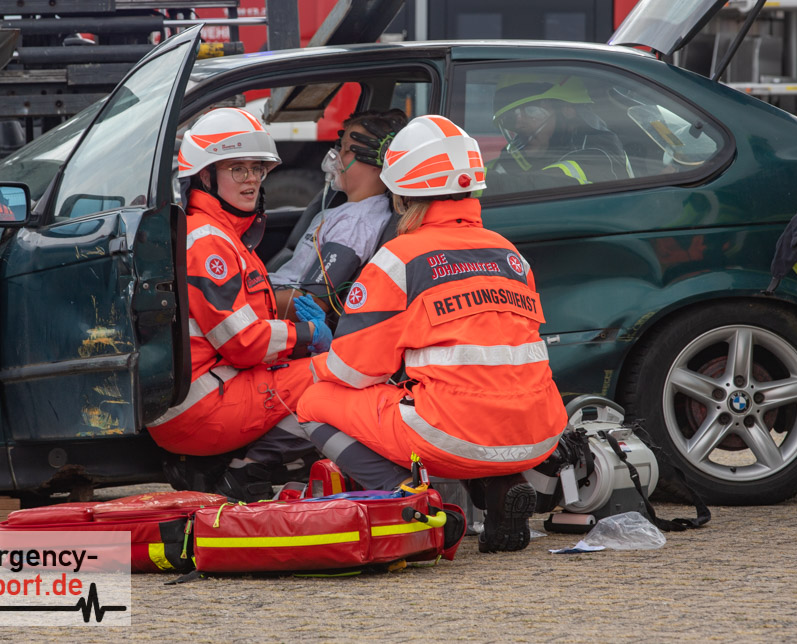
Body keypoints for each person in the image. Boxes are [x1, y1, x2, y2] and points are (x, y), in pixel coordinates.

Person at [296, 114, 568, 553]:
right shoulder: (509, 254)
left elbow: (353, 371)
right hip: (538, 430)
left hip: (453, 433)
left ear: (401, 191)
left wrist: (315, 363)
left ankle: (416, 502)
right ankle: (502, 486)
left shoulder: (400, 258)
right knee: (466, 394)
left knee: (314, 402)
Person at [145, 107, 332, 502]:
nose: (251, 180)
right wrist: (308, 334)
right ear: (205, 177)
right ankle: (246, 470)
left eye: (257, 169)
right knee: (336, 376)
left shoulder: (223, 234)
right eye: (237, 169)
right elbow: (243, 342)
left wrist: (297, 339)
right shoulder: (210, 242)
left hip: (202, 394)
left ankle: (221, 465)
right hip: (202, 408)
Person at [271, 109, 408, 316]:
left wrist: (247, 301)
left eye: (346, 150)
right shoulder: (345, 209)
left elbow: (313, 303)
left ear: (377, 160)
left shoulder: (355, 223)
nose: (336, 157)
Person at [486, 73, 632, 193]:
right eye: (511, 118)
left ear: (567, 111)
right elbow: (498, 169)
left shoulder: (600, 152)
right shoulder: (533, 152)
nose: (518, 125)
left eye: (532, 111)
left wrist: (483, 183)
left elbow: (543, 186)